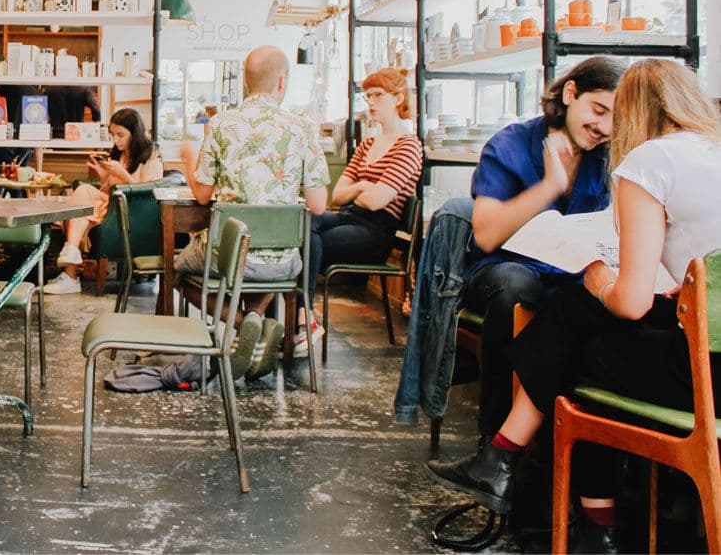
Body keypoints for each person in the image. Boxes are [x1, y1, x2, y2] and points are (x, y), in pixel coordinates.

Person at [428, 59, 721, 551]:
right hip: (706, 346)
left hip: (701, 376)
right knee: (577, 319)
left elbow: (628, 302)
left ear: (631, 113)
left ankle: (551, 495)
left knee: (579, 354)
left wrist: (598, 276)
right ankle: (514, 469)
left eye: (615, 114)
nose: (608, 129)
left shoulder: (649, 162)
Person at [461, 56, 624, 438]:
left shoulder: (609, 157)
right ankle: (495, 444)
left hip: (575, 277)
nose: (603, 127)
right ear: (570, 93)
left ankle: (588, 460)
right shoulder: (510, 145)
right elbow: (485, 235)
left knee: (612, 301)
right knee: (518, 285)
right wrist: (548, 187)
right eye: (598, 110)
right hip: (503, 272)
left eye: (615, 119)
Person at [176, 45, 329, 379]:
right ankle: (256, 325)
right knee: (269, 256)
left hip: (230, 257)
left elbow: (202, 195)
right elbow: (318, 205)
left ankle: (244, 324)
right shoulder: (303, 128)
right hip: (285, 262)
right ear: (281, 82)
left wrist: (189, 159)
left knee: (177, 270)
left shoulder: (221, 124)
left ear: (245, 83)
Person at [304, 67, 422, 352]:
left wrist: (361, 190)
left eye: (378, 96)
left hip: (376, 232)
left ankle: (300, 316)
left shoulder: (409, 146)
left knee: (307, 240)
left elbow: (378, 201)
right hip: (349, 218)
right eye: (368, 96)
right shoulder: (368, 143)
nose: (370, 102)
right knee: (304, 221)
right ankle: (302, 317)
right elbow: (339, 193)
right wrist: (361, 188)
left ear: (398, 98)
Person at [44, 108, 163, 295]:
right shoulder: (120, 154)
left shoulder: (151, 156)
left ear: (135, 132)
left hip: (133, 212)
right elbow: (110, 189)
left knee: (81, 203)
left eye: (121, 135)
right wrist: (103, 174)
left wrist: (121, 173)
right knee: (81, 198)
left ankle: (70, 274)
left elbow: (149, 193)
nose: (115, 140)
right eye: (112, 135)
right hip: (113, 206)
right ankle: (71, 261)